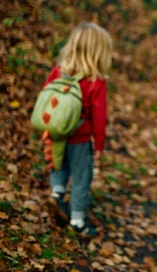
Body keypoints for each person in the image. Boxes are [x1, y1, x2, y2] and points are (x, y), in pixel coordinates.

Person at [43, 22, 112, 237]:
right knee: (82, 177)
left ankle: (57, 194)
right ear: (99, 53)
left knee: (59, 165)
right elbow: (99, 119)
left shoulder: (58, 72)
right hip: (81, 140)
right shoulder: (95, 82)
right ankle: (78, 221)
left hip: (57, 134)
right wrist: (99, 144)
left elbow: (47, 98)